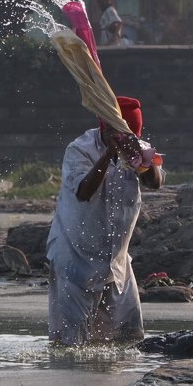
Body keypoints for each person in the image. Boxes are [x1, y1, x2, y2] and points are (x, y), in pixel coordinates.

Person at [46, 96, 164, 345]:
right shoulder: (79, 149)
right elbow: (83, 192)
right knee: (71, 343)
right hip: (75, 256)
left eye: (132, 134)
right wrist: (110, 152)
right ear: (106, 129)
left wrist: (142, 158)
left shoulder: (137, 147)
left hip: (117, 263)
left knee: (128, 339)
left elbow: (155, 182)